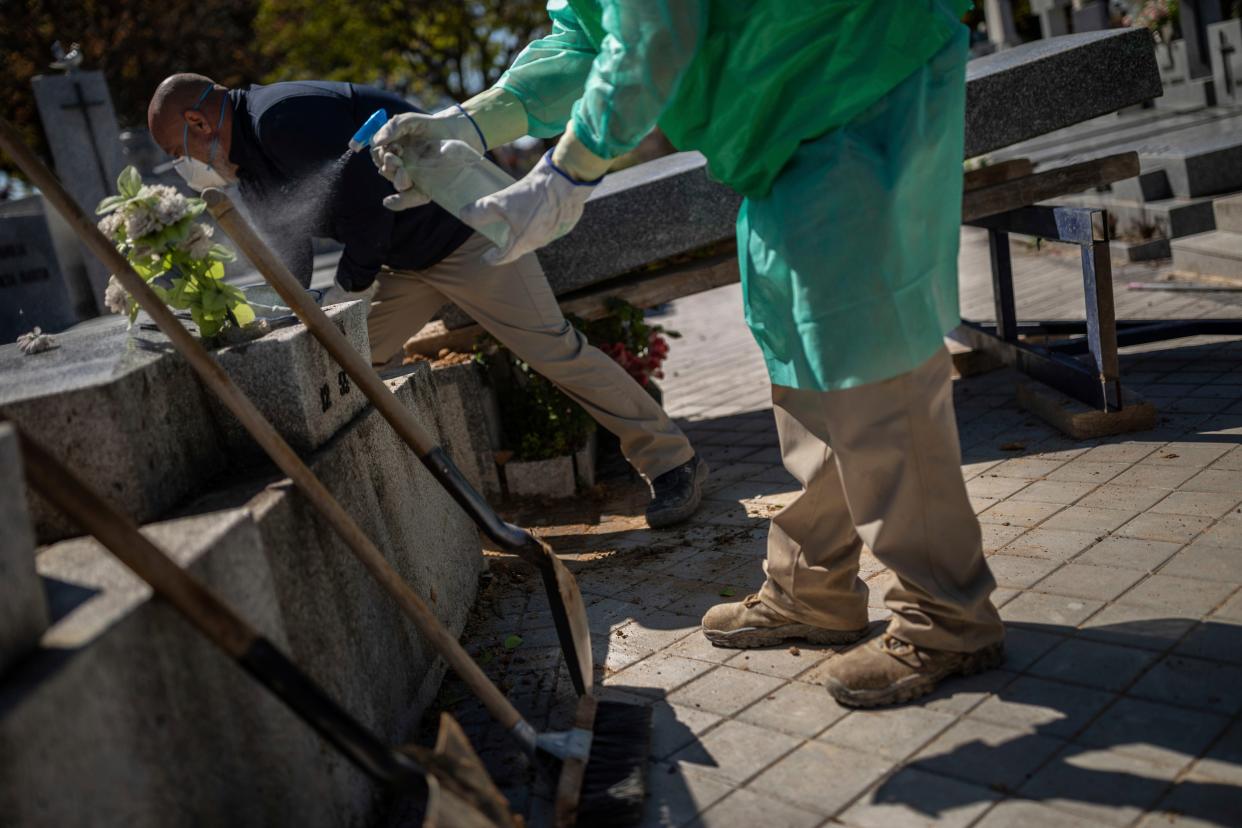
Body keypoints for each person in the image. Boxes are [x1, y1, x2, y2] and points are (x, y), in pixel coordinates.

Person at [373, 0, 1004, 707]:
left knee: (872, 370)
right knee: (805, 365)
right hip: (782, 116)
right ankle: (814, 587)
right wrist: (472, 121)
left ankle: (947, 619)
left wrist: (567, 175)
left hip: (854, 78)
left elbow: (654, 35)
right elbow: (590, 39)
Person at [145, 74, 709, 528]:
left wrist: (352, 282)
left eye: (179, 150)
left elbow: (365, 194)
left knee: (555, 351)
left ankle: (672, 461)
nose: (184, 164)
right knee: (351, 360)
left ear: (198, 121)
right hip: (406, 260)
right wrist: (288, 309)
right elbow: (287, 239)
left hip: (469, 236)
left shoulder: (280, 118)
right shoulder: (250, 151)